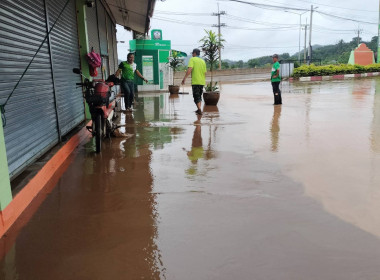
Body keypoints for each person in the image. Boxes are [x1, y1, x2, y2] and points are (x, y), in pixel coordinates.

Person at [181, 48, 207, 115]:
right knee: (199, 96)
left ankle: (199, 109)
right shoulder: (203, 61)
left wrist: (184, 78)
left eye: (192, 53)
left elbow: (190, 69)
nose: (192, 54)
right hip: (202, 82)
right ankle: (199, 109)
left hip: (195, 81)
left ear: (195, 53)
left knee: (196, 96)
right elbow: (205, 73)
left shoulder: (192, 59)